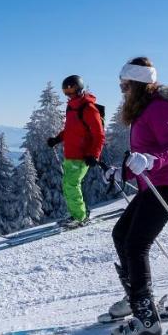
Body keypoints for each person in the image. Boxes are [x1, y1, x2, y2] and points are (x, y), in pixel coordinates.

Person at [100, 57, 168, 335]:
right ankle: (136, 298)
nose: (122, 90)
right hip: (153, 185)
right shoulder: (144, 109)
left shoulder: (161, 107)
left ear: (137, 84)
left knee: (136, 244)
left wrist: (151, 161)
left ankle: (147, 320)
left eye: (124, 85)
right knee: (121, 234)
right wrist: (123, 171)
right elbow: (143, 155)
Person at [46, 74, 106, 228]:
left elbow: (99, 135)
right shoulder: (72, 107)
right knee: (67, 185)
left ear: (80, 89)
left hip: (82, 156)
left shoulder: (89, 108)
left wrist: (94, 154)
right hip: (70, 154)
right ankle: (76, 213)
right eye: (67, 93)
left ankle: (79, 217)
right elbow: (70, 130)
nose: (70, 95)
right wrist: (57, 139)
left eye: (72, 92)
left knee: (71, 185)